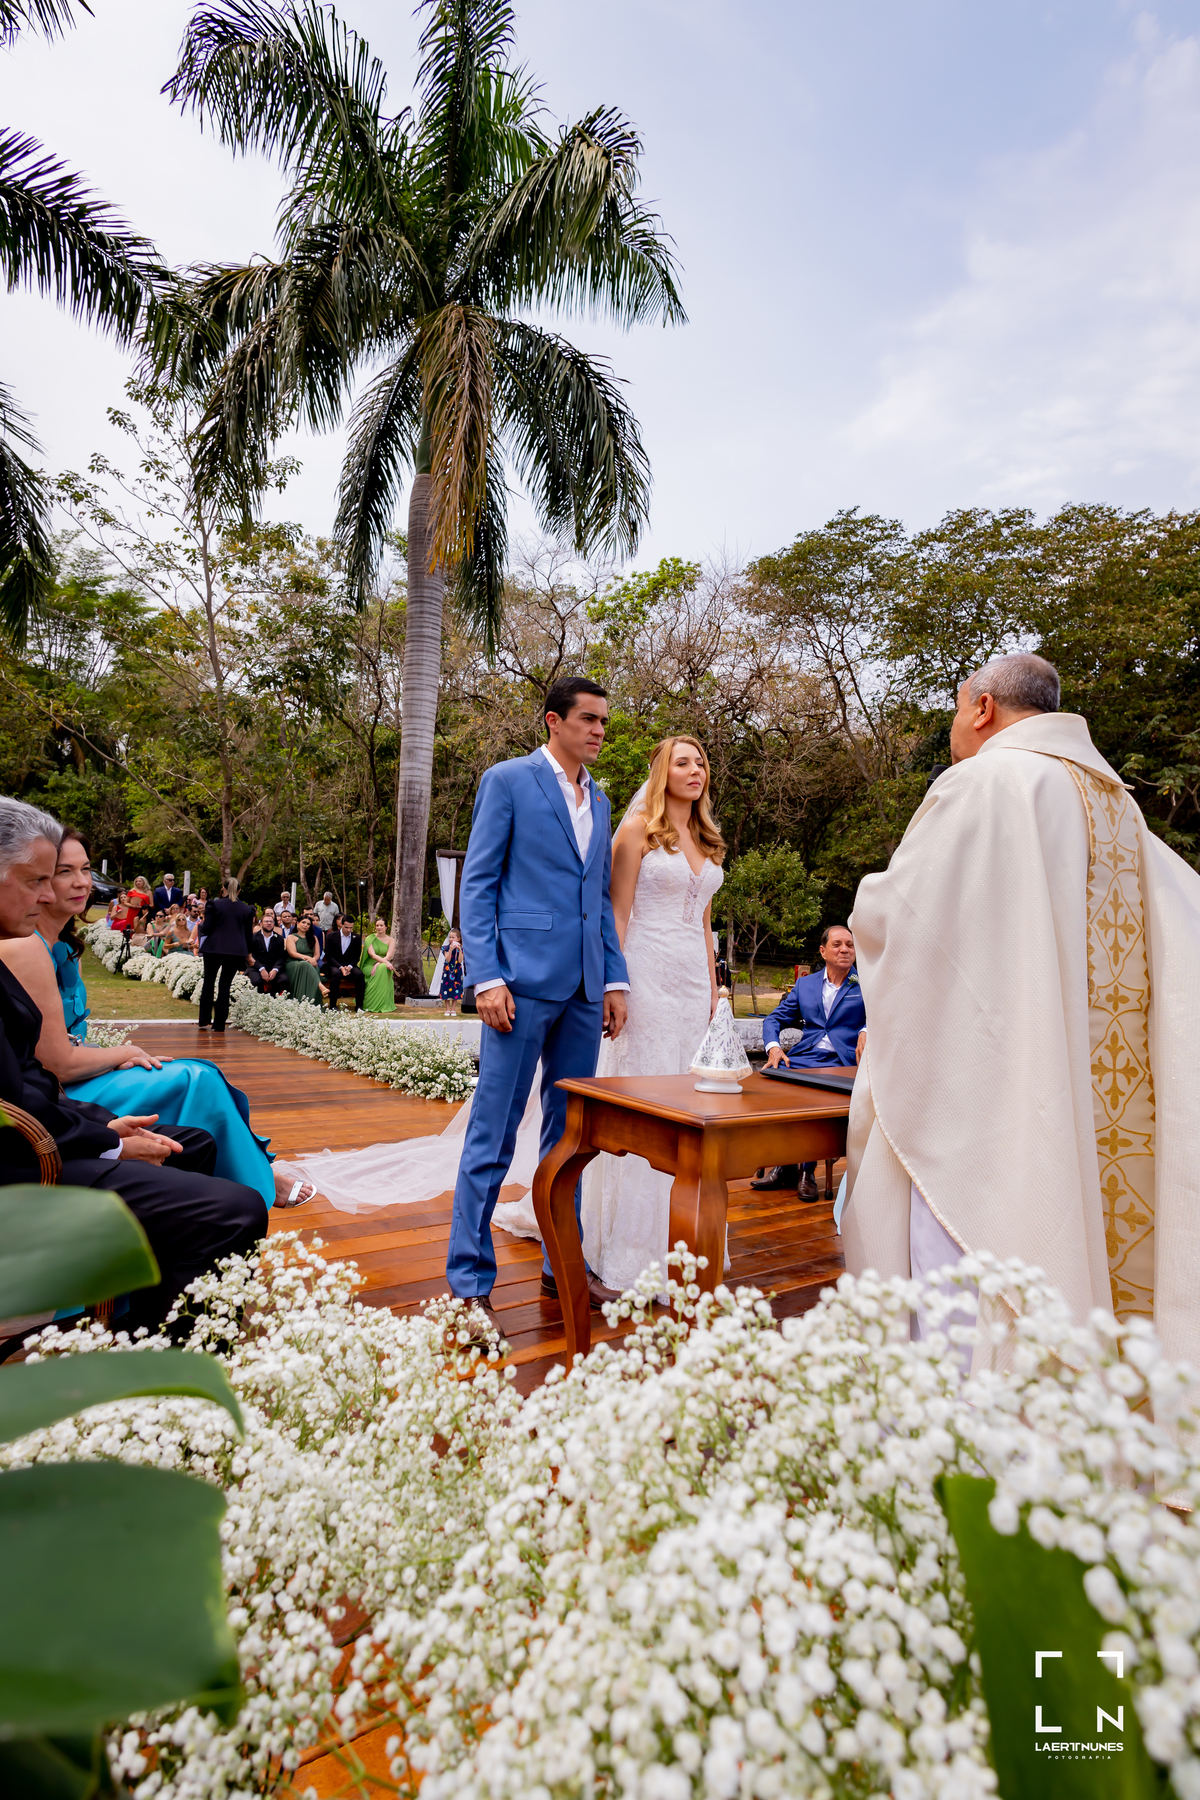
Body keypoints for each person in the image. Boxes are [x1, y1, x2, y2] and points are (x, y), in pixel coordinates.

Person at [841, 653, 1200, 1373]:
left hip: (991, 1095)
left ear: (982, 708)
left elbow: (903, 917)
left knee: (972, 1245)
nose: (954, 728)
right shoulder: (1117, 805)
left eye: (955, 710)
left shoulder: (986, 780)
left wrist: (869, 905)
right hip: (1093, 1090)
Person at [0, 798, 270, 1333]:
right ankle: (163, 1353)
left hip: (48, 1121)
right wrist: (108, 1140)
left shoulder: (36, 946)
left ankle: (142, 1320)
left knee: (195, 1139)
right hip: (25, 1160)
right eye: (39, 879)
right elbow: (33, 1086)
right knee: (234, 1200)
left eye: (71, 873)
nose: (52, 892)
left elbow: (29, 1085)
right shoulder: (22, 950)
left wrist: (105, 1128)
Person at [0, 826, 311, 1211]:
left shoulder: (63, 945)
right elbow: (56, 1064)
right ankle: (254, 1185)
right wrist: (123, 1052)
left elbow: (66, 1041)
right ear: (39, 879)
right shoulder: (26, 947)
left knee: (198, 1073)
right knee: (194, 1079)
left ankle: (244, 1176)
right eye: (65, 871)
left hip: (77, 1075)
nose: (81, 882)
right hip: (60, 1096)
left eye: (85, 869)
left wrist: (110, 1057)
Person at [447, 676, 629, 1323]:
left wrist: (613, 981)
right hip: (518, 987)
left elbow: (597, 898)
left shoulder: (600, 800)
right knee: (493, 1132)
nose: (599, 731)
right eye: (588, 719)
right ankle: (469, 1283)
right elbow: (478, 884)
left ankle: (563, 1269)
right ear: (553, 720)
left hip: (582, 991)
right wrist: (487, 977)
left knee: (570, 1138)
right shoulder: (507, 781)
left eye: (603, 721)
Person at [562, 736, 725, 1295]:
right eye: (683, 762)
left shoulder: (707, 839)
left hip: (693, 982)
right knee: (647, 1099)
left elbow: (704, 923)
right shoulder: (635, 831)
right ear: (661, 772)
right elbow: (616, 912)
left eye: (700, 762)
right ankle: (628, 1247)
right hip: (646, 972)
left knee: (690, 1100)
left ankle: (686, 1239)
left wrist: (714, 989)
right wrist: (617, 983)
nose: (695, 770)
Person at [751, 925, 866, 1199]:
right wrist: (773, 1047)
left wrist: (866, 1030)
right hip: (807, 1057)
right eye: (837, 944)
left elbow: (883, 1014)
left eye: (850, 945)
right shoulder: (806, 984)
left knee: (814, 1094)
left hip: (844, 1061)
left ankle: (805, 1170)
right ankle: (785, 1163)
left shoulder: (866, 984)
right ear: (823, 951)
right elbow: (774, 1019)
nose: (845, 950)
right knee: (771, 1083)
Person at [198, 878, 254, 1032]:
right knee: (225, 985)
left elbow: (207, 928)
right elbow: (248, 935)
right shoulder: (247, 909)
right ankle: (219, 1024)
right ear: (239, 891)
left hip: (214, 948)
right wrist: (249, 955)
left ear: (223, 888)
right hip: (236, 951)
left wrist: (202, 925)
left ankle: (204, 1019)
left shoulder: (214, 904)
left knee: (209, 982)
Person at [321, 915, 365, 1010]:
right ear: (341, 924)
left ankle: (359, 1006)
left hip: (349, 966)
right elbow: (328, 956)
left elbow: (356, 956)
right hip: (332, 965)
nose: (349, 930)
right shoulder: (331, 936)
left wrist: (349, 967)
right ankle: (333, 1005)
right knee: (336, 973)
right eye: (346, 927)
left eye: (351, 928)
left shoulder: (357, 938)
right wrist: (340, 967)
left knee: (359, 975)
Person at [284, 914, 324, 1005]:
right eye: (303, 922)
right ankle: (321, 986)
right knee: (305, 964)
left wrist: (313, 960)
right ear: (297, 923)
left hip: (310, 963)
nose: (305, 925)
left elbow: (317, 954)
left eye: (308, 924)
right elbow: (293, 953)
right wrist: (308, 959)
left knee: (311, 967)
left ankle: (312, 1004)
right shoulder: (291, 937)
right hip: (294, 963)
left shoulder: (313, 938)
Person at [248, 907, 287, 995]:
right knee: (256, 981)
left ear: (274, 924)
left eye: (271, 922)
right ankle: (260, 999)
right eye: (266, 921)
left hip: (273, 967)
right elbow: (251, 956)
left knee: (284, 980)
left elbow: (281, 956)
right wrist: (261, 969)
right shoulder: (252, 937)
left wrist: (275, 969)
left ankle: (272, 998)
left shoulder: (279, 938)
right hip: (256, 967)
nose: (269, 923)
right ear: (261, 924)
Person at [360, 918, 396, 1013]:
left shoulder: (391, 940)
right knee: (384, 967)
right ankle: (370, 1003)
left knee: (383, 967)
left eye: (381, 925)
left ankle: (382, 1004)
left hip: (382, 964)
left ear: (386, 927)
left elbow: (389, 956)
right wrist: (382, 963)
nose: (379, 927)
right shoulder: (370, 938)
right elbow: (372, 954)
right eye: (377, 925)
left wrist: (379, 964)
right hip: (369, 965)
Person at [439, 927, 465, 1017]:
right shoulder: (445, 948)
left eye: (453, 937)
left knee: (456, 988)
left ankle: (453, 1009)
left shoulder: (462, 948)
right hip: (448, 971)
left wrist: (459, 950)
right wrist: (450, 950)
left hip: (457, 971)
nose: (451, 939)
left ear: (458, 939)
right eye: (450, 937)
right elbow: (448, 959)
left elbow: (460, 960)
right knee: (446, 988)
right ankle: (447, 1008)